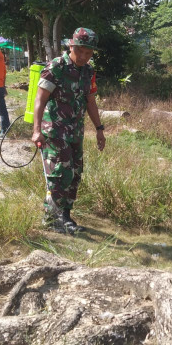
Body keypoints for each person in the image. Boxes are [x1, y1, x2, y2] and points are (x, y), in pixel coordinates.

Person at [31, 27, 106, 233]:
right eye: (79, 51)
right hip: (54, 129)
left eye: (88, 53)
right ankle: (52, 219)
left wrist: (99, 129)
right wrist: (36, 130)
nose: (83, 56)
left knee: (74, 173)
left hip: (75, 130)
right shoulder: (56, 66)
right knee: (59, 171)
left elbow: (90, 101)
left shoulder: (88, 71)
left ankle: (65, 216)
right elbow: (40, 99)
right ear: (71, 46)